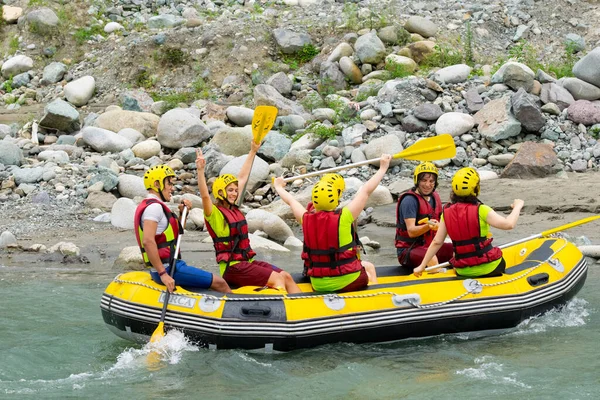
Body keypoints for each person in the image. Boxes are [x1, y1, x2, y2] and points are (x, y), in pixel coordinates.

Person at [274, 154, 392, 292]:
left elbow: (291, 201)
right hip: (349, 280)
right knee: (369, 268)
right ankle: (376, 296)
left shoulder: (305, 218)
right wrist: (383, 168)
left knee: (365, 266)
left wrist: (279, 187)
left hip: (318, 284)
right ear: (336, 200)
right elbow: (366, 191)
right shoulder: (345, 216)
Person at [196, 140, 301, 294]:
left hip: (247, 262)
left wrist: (252, 151)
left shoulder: (234, 207)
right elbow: (205, 197)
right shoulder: (214, 214)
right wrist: (200, 171)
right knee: (277, 280)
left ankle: (301, 307)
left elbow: (243, 177)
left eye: (235, 190)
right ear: (220, 192)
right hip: (232, 267)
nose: (234, 193)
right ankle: (283, 313)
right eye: (230, 190)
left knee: (285, 276)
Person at [134, 164, 231, 293]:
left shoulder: (153, 206)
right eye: (169, 184)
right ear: (157, 184)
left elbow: (175, 234)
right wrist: (163, 274)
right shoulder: (154, 208)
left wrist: (182, 214)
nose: (172, 188)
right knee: (220, 283)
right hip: (169, 269)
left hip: (168, 267)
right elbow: (147, 241)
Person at [414, 167, 525, 278]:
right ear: (476, 189)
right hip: (490, 268)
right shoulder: (482, 209)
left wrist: (422, 266)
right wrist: (518, 206)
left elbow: (437, 242)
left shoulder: (446, 213)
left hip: (462, 271)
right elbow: (509, 224)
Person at [395, 162, 453, 270]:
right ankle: (438, 282)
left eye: (431, 181)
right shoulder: (409, 201)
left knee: (458, 249)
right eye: (424, 180)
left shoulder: (435, 197)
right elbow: (411, 231)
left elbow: (443, 224)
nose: (427, 185)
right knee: (431, 258)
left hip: (430, 245)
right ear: (417, 181)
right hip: (408, 250)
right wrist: (428, 226)